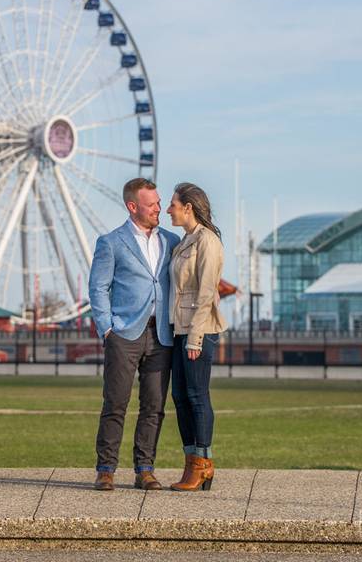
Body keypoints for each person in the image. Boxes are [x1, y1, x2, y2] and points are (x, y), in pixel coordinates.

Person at [89, 178, 181, 491]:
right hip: (124, 334)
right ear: (133, 206)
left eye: (158, 202)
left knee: (154, 405)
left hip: (162, 336)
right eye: (152, 203)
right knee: (115, 403)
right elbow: (98, 287)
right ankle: (106, 469)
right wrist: (107, 328)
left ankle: (145, 469)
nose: (159, 208)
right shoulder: (111, 242)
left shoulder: (171, 241)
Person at [165, 182, 227, 492]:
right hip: (179, 328)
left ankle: (203, 463)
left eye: (173, 204)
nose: (168, 210)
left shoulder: (208, 241)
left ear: (188, 207)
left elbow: (205, 292)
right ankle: (191, 461)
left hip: (198, 331)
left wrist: (195, 337)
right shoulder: (184, 241)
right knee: (180, 396)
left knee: (197, 396)